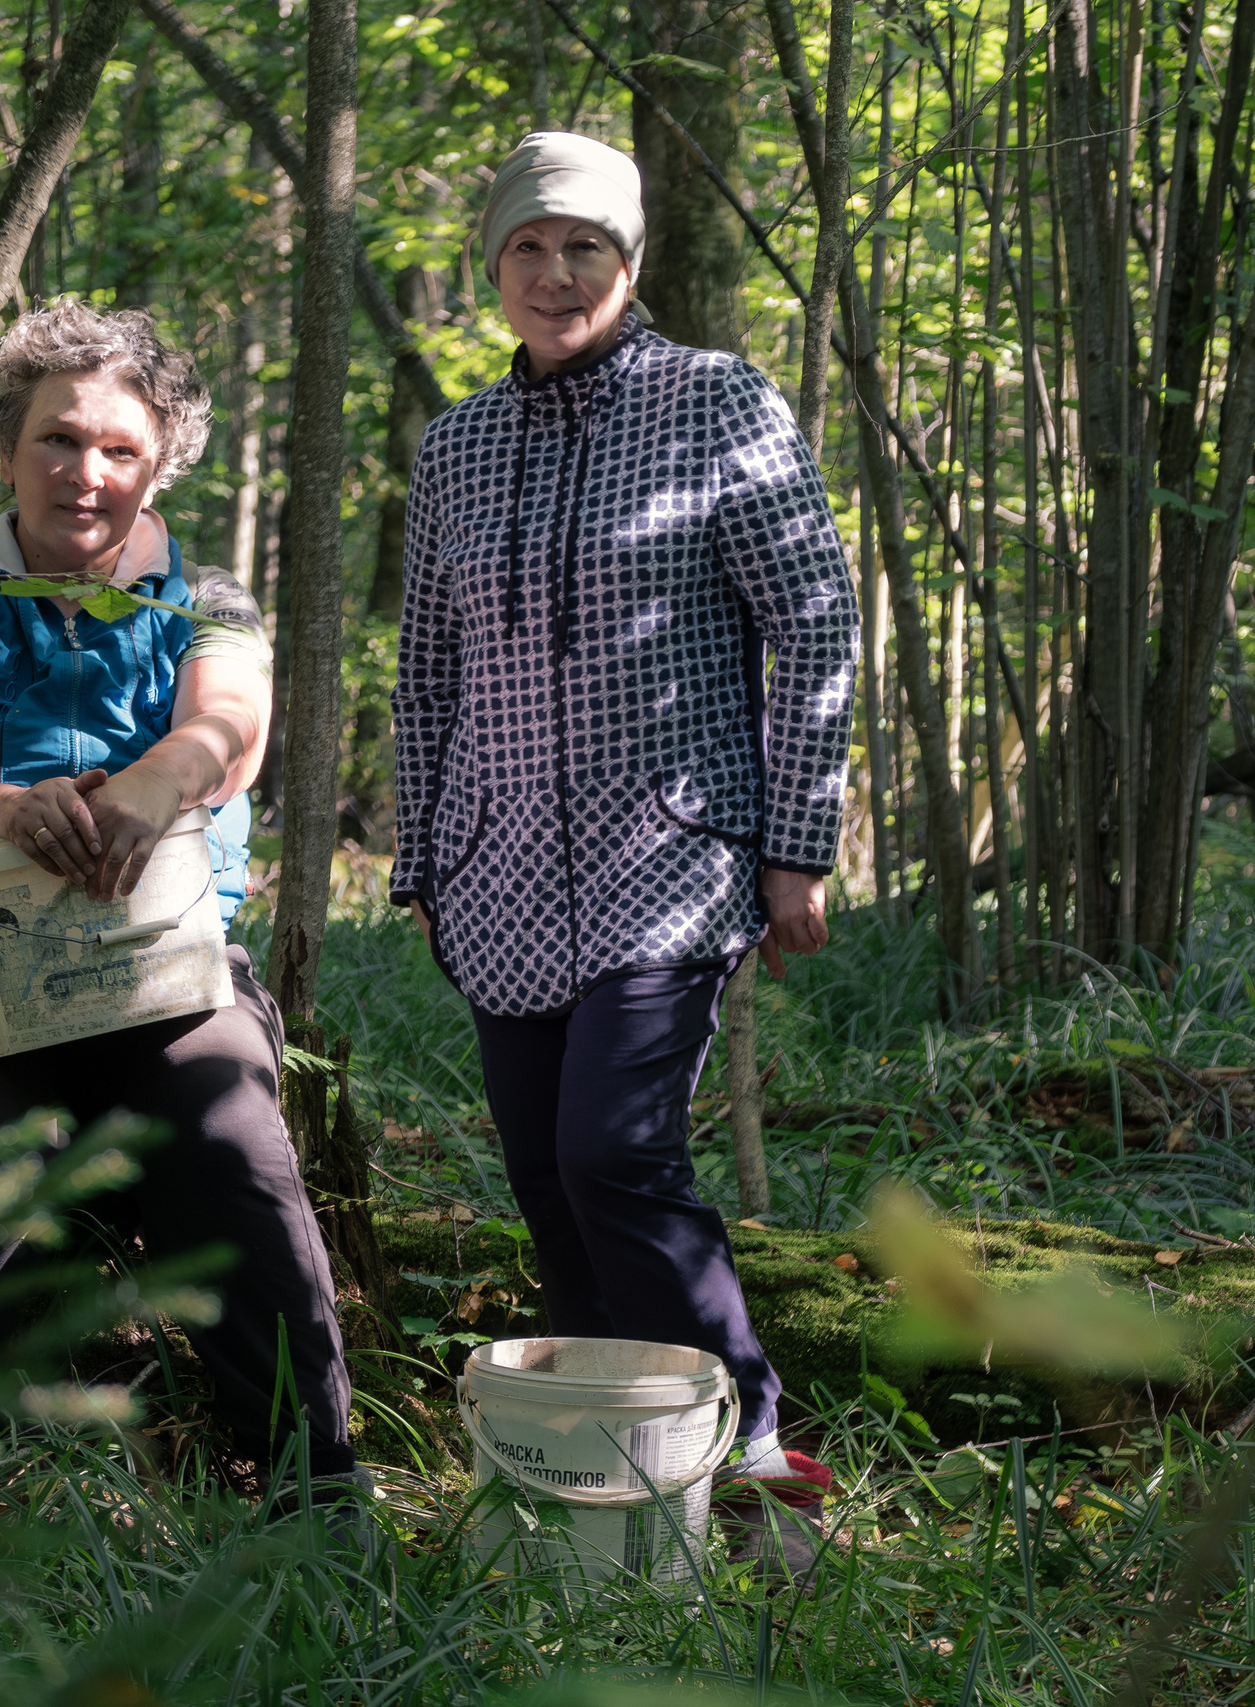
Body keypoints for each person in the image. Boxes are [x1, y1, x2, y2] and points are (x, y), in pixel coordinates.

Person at [388, 134, 860, 1563]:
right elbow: (425, 672)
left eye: (583, 245)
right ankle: (622, 1467)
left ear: (631, 260)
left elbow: (818, 620)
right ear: (494, 267)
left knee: (614, 1152)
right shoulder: (456, 441)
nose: (554, 272)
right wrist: (426, 854)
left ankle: (760, 1449)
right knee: (542, 1171)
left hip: (674, 856)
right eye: (527, 247)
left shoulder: (718, 401)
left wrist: (795, 843)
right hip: (501, 865)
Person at [0, 300, 359, 1495]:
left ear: (160, 461)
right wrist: (2, 811)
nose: (85, 474)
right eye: (58, 441)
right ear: (10, 449)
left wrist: (148, 788)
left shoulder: (207, 599)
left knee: (235, 1172)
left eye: (119, 450)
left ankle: (316, 1492)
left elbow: (227, 733)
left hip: (161, 977)